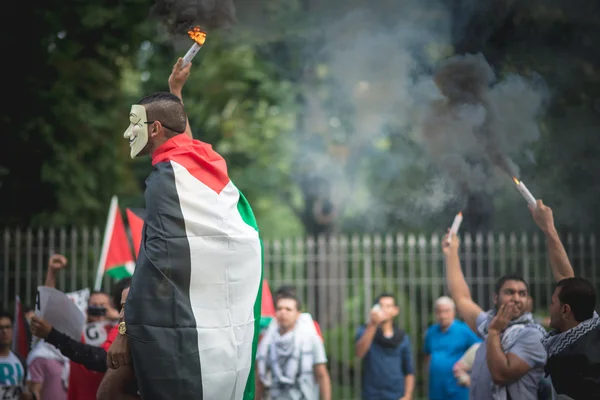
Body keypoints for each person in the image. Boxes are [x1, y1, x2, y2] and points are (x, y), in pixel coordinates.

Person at [107, 57, 263, 400]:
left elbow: (156, 262)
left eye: (135, 123)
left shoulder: (167, 178)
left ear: (155, 129)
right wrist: (176, 89)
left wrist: (125, 327)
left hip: (165, 322)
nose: (127, 132)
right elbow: (182, 138)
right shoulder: (195, 161)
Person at [442, 233, 547, 400]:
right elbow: (462, 298)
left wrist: (494, 332)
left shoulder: (532, 335)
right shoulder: (489, 323)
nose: (516, 298)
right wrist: (452, 253)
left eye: (522, 294)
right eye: (509, 292)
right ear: (495, 298)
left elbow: (501, 375)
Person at [529, 200, 600, 398]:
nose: (549, 308)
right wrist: (548, 228)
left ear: (565, 310)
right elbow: (565, 277)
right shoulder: (592, 327)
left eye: (553, 303)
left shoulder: (570, 361)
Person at [255, 293, 331, 399]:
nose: (283, 312)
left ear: (298, 314)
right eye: (279, 308)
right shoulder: (267, 342)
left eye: (288, 309)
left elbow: (322, 375)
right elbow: (260, 378)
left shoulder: (311, 339)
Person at [355, 293, 415, 400]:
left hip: (396, 395)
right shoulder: (366, 331)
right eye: (381, 306)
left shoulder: (403, 338)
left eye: (388, 306)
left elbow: (409, 370)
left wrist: (408, 395)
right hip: (372, 395)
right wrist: (373, 324)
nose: (384, 310)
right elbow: (359, 353)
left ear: (395, 310)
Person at [424, 296, 481, 400]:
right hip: (436, 389)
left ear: (453, 312)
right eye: (439, 311)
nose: (443, 315)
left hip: (458, 388)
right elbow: (427, 356)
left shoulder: (463, 330)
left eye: (446, 311)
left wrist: (471, 376)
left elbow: (479, 349)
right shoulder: (431, 332)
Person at [0, 310, 35, 400]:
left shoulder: (20, 361)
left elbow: (28, 389)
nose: (4, 331)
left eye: (8, 327)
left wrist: (29, 396)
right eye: (1, 328)